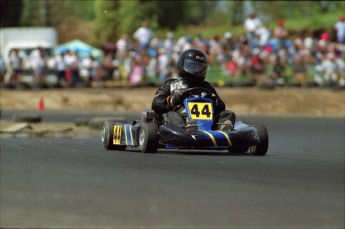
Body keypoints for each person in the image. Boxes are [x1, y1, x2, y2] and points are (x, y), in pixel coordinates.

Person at [151, 48, 236, 131]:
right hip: (181, 119)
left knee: (228, 114)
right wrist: (172, 100)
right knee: (172, 115)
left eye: (199, 68)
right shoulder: (171, 84)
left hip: (207, 121)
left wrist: (215, 101)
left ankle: (223, 129)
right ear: (182, 66)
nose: (196, 70)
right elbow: (156, 103)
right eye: (192, 67)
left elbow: (222, 107)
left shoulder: (207, 87)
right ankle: (186, 129)